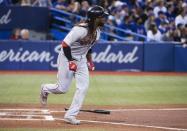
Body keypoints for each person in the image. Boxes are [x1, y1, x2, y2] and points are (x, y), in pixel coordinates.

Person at [40, 5, 109, 125]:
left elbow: (88, 47)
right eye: (102, 17)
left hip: (81, 60)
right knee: (62, 89)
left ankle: (70, 115)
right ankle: (45, 88)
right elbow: (65, 44)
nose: (105, 19)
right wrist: (71, 61)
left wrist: (90, 61)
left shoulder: (97, 32)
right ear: (95, 18)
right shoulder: (80, 29)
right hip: (66, 57)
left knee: (83, 87)